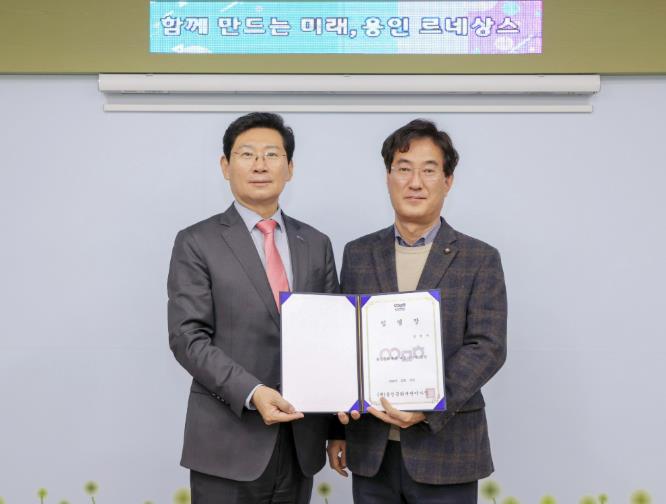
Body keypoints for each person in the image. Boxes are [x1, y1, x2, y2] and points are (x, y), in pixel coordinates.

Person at [327, 119, 507, 504]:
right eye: (404, 169)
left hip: (447, 450)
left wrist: (427, 406)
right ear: (388, 176)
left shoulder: (479, 258)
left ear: (448, 180)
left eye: (429, 170)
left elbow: (487, 346)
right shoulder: (358, 254)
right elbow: (344, 343)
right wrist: (336, 430)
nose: (415, 182)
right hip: (372, 450)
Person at [168, 112, 339, 504]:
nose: (260, 165)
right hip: (227, 443)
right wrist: (253, 391)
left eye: (272, 155)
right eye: (247, 154)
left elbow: (334, 338)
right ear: (225, 166)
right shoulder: (197, 242)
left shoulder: (316, 243)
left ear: (290, 168)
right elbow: (187, 338)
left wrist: (336, 429)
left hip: (300, 442)